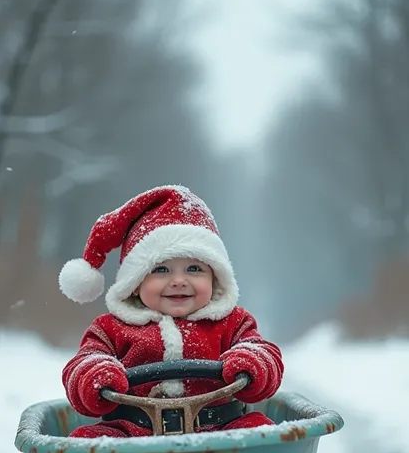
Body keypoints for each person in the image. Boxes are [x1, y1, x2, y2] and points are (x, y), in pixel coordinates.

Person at [59, 185, 284, 439]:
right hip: (131, 431)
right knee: (87, 440)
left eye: (194, 269)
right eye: (161, 270)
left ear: (215, 278)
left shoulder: (233, 321)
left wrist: (252, 360)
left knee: (261, 433)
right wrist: (95, 372)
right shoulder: (110, 328)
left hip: (220, 428)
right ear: (134, 284)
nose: (179, 281)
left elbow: (263, 352)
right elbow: (83, 363)